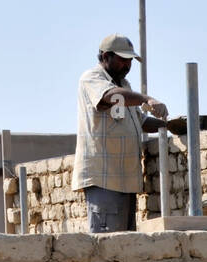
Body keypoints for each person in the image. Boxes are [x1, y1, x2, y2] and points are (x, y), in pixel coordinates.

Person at [72, 34, 169, 233]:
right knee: (108, 248)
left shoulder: (124, 86)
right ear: (106, 56)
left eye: (130, 60)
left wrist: (170, 126)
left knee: (124, 248)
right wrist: (147, 99)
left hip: (125, 181)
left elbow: (140, 121)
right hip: (104, 179)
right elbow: (109, 97)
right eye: (123, 59)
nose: (127, 65)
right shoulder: (92, 78)